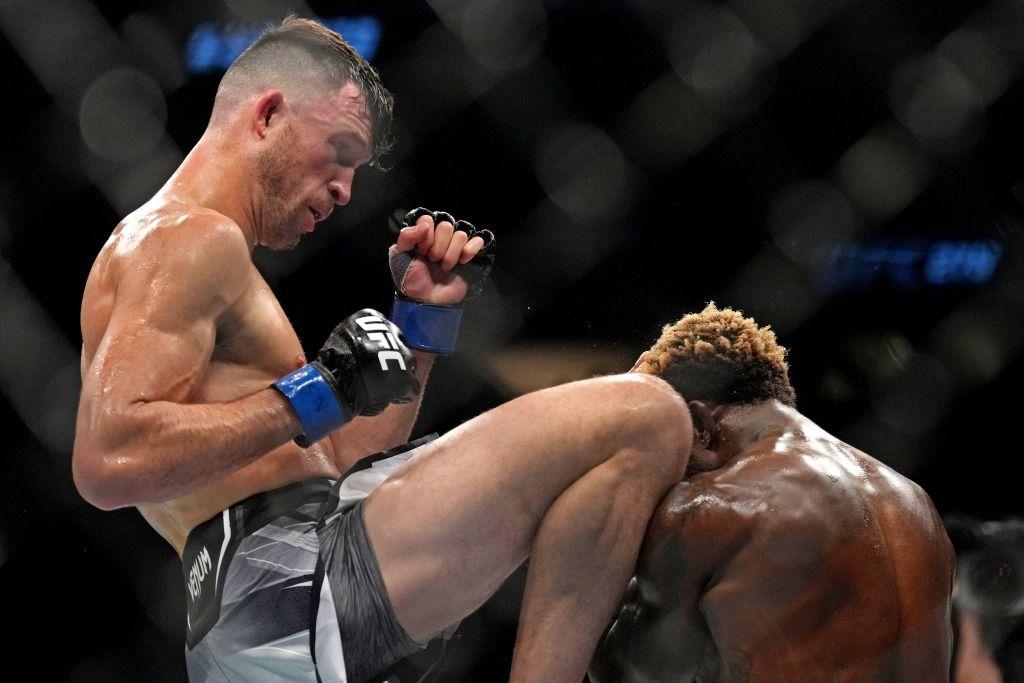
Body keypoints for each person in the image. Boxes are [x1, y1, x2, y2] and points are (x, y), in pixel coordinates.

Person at [72, 16, 692, 683]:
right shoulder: (190, 238)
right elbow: (109, 461)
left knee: (622, 436)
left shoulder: (197, 253)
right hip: (289, 583)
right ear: (269, 115)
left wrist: (421, 323)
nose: (345, 189)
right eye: (339, 151)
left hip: (265, 611)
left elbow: (337, 464)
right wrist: (318, 389)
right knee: (647, 416)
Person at [590, 303, 956, 682]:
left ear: (699, 426)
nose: (671, 478)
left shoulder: (712, 506)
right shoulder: (915, 502)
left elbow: (630, 673)